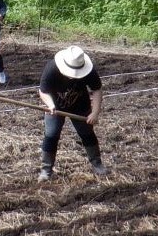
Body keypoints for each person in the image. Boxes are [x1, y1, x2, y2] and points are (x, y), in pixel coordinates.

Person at [37, 45, 106, 180]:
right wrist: (50, 105)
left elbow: (97, 89)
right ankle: (46, 170)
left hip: (80, 105)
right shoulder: (52, 68)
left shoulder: (89, 70)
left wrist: (95, 112)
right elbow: (43, 91)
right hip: (55, 107)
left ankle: (97, 164)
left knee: (87, 133)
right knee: (51, 135)